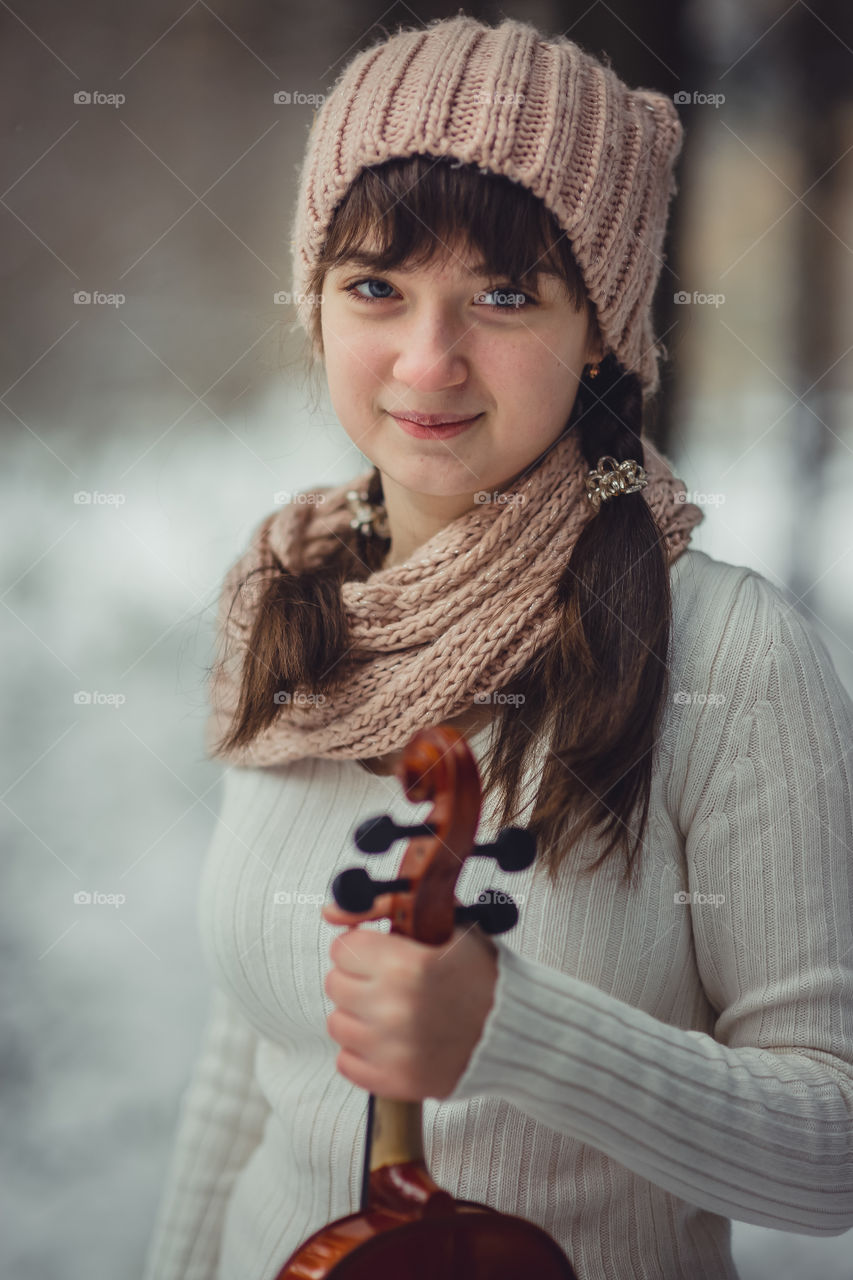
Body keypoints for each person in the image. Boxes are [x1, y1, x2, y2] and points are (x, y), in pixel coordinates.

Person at [140, 14, 853, 1280]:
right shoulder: (295, 601)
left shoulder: (734, 653)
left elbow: (829, 1153)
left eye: (506, 294)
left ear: (601, 332)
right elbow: (244, 1072)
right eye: (376, 286)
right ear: (314, 299)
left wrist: (520, 1031)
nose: (429, 360)